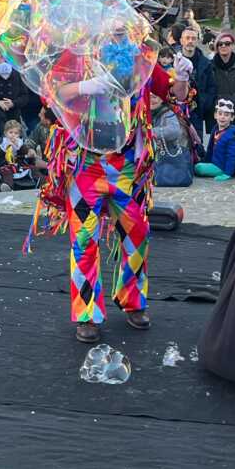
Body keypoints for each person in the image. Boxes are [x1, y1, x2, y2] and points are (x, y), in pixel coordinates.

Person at [39, 62, 171, 342]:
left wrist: (181, 75)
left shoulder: (138, 56)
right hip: (86, 166)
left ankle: (133, 301)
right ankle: (87, 314)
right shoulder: (77, 53)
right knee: (84, 240)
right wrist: (88, 86)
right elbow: (51, 93)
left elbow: (171, 90)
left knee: (137, 236)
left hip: (127, 166)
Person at [175, 26, 216, 139]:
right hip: (175, 112)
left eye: (193, 38)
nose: (190, 41)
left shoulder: (205, 63)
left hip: (196, 112)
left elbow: (211, 87)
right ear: (181, 40)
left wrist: (204, 103)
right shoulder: (173, 60)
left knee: (197, 148)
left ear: (197, 41)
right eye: (187, 38)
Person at [194, 100, 235, 180]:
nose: (222, 117)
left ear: (232, 118)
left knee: (198, 168)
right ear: (215, 115)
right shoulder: (215, 129)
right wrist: (206, 160)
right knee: (196, 164)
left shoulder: (231, 136)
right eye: (220, 113)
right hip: (214, 162)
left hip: (221, 167)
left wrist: (227, 173)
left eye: (226, 115)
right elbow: (210, 149)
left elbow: (232, 156)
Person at [209, 32, 235, 110]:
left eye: (227, 43)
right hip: (216, 111)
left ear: (233, 46)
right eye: (220, 44)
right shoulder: (209, 66)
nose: (223, 46)